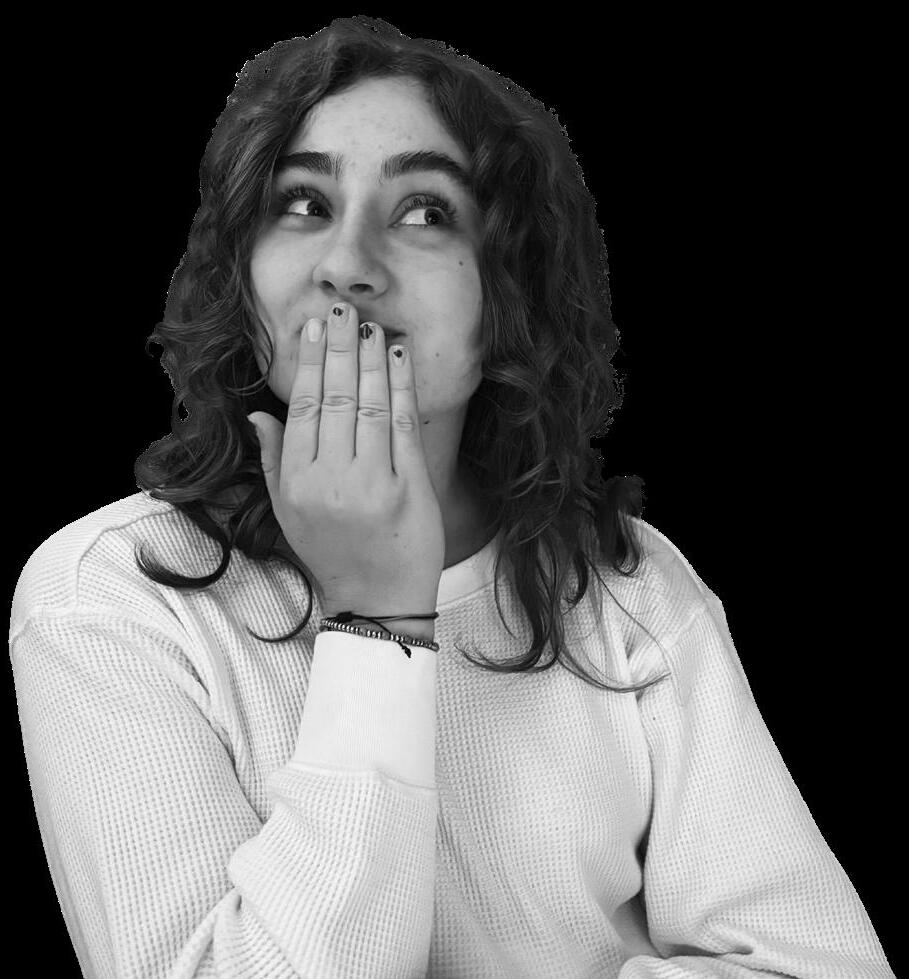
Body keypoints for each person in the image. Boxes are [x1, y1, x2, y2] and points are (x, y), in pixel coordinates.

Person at [8, 17, 894, 979]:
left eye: (424, 211)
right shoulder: (112, 596)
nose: (346, 263)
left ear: (512, 290)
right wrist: (376, 619)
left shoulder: (623, 581)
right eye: (302, 202)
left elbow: (818, 964)